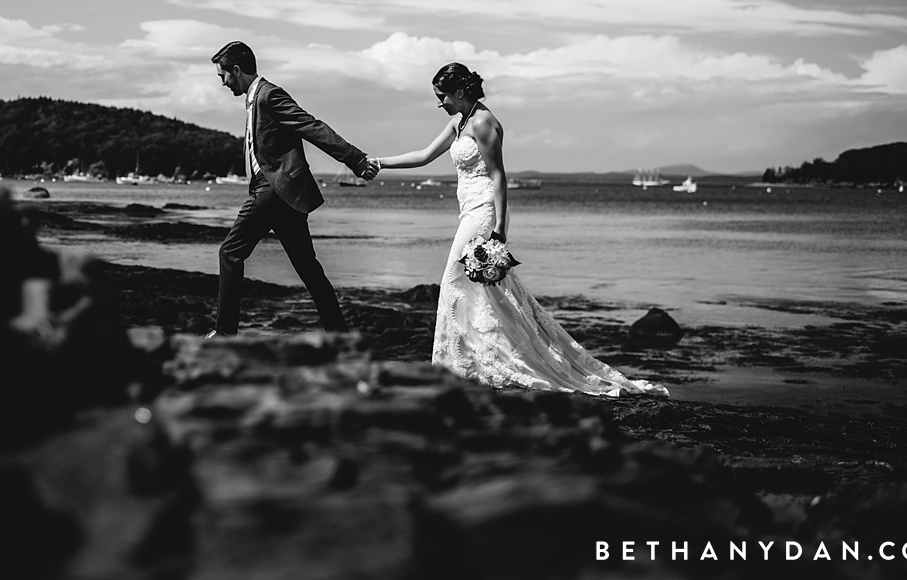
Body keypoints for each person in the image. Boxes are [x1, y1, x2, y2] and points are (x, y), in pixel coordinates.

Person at [369, 63, 667, 396]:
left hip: (484, 212)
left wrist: (499, 230)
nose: (440, 104)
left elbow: (498, 176)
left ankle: (469, 362)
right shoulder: (459, 122)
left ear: (460, 93)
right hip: (467, 209)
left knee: (456, 279)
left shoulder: (484, 123)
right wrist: (380, 162)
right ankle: (475, 360)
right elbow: (424, 156)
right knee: (487, 290)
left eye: (442, 97)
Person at [208, 41, 379, 337]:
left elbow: (311, 126)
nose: (222, 82)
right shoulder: (253, 99)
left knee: (230, 252)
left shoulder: (269, 94)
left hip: (275, 188)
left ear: (236, 71)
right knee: (308, 269)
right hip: (282, 192)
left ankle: (224, 335)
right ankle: (338, 336)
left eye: (223, 75)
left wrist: (356, 159)